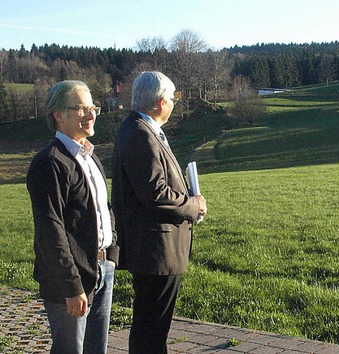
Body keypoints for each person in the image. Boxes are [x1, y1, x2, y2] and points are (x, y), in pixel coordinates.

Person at [111, 71, 207, 353]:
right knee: (152, 328)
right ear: (160, 102)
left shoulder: (137, 128)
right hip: (156, 249)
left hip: (154, 247)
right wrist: (193, 205)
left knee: (152, 326)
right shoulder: (142, 134)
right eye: (173, 98)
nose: (175, 103)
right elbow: (156, 193)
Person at [26, 80, 118, 354]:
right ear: (58, 115)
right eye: (80, 109)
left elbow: (104, 209)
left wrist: (112, 255)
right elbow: (50, 230)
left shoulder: (90, 157)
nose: (90, 115)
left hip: (103, 270)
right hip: (70, 279)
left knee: (95, 350)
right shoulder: (49, 163)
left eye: (92, 108)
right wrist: (71, 286)